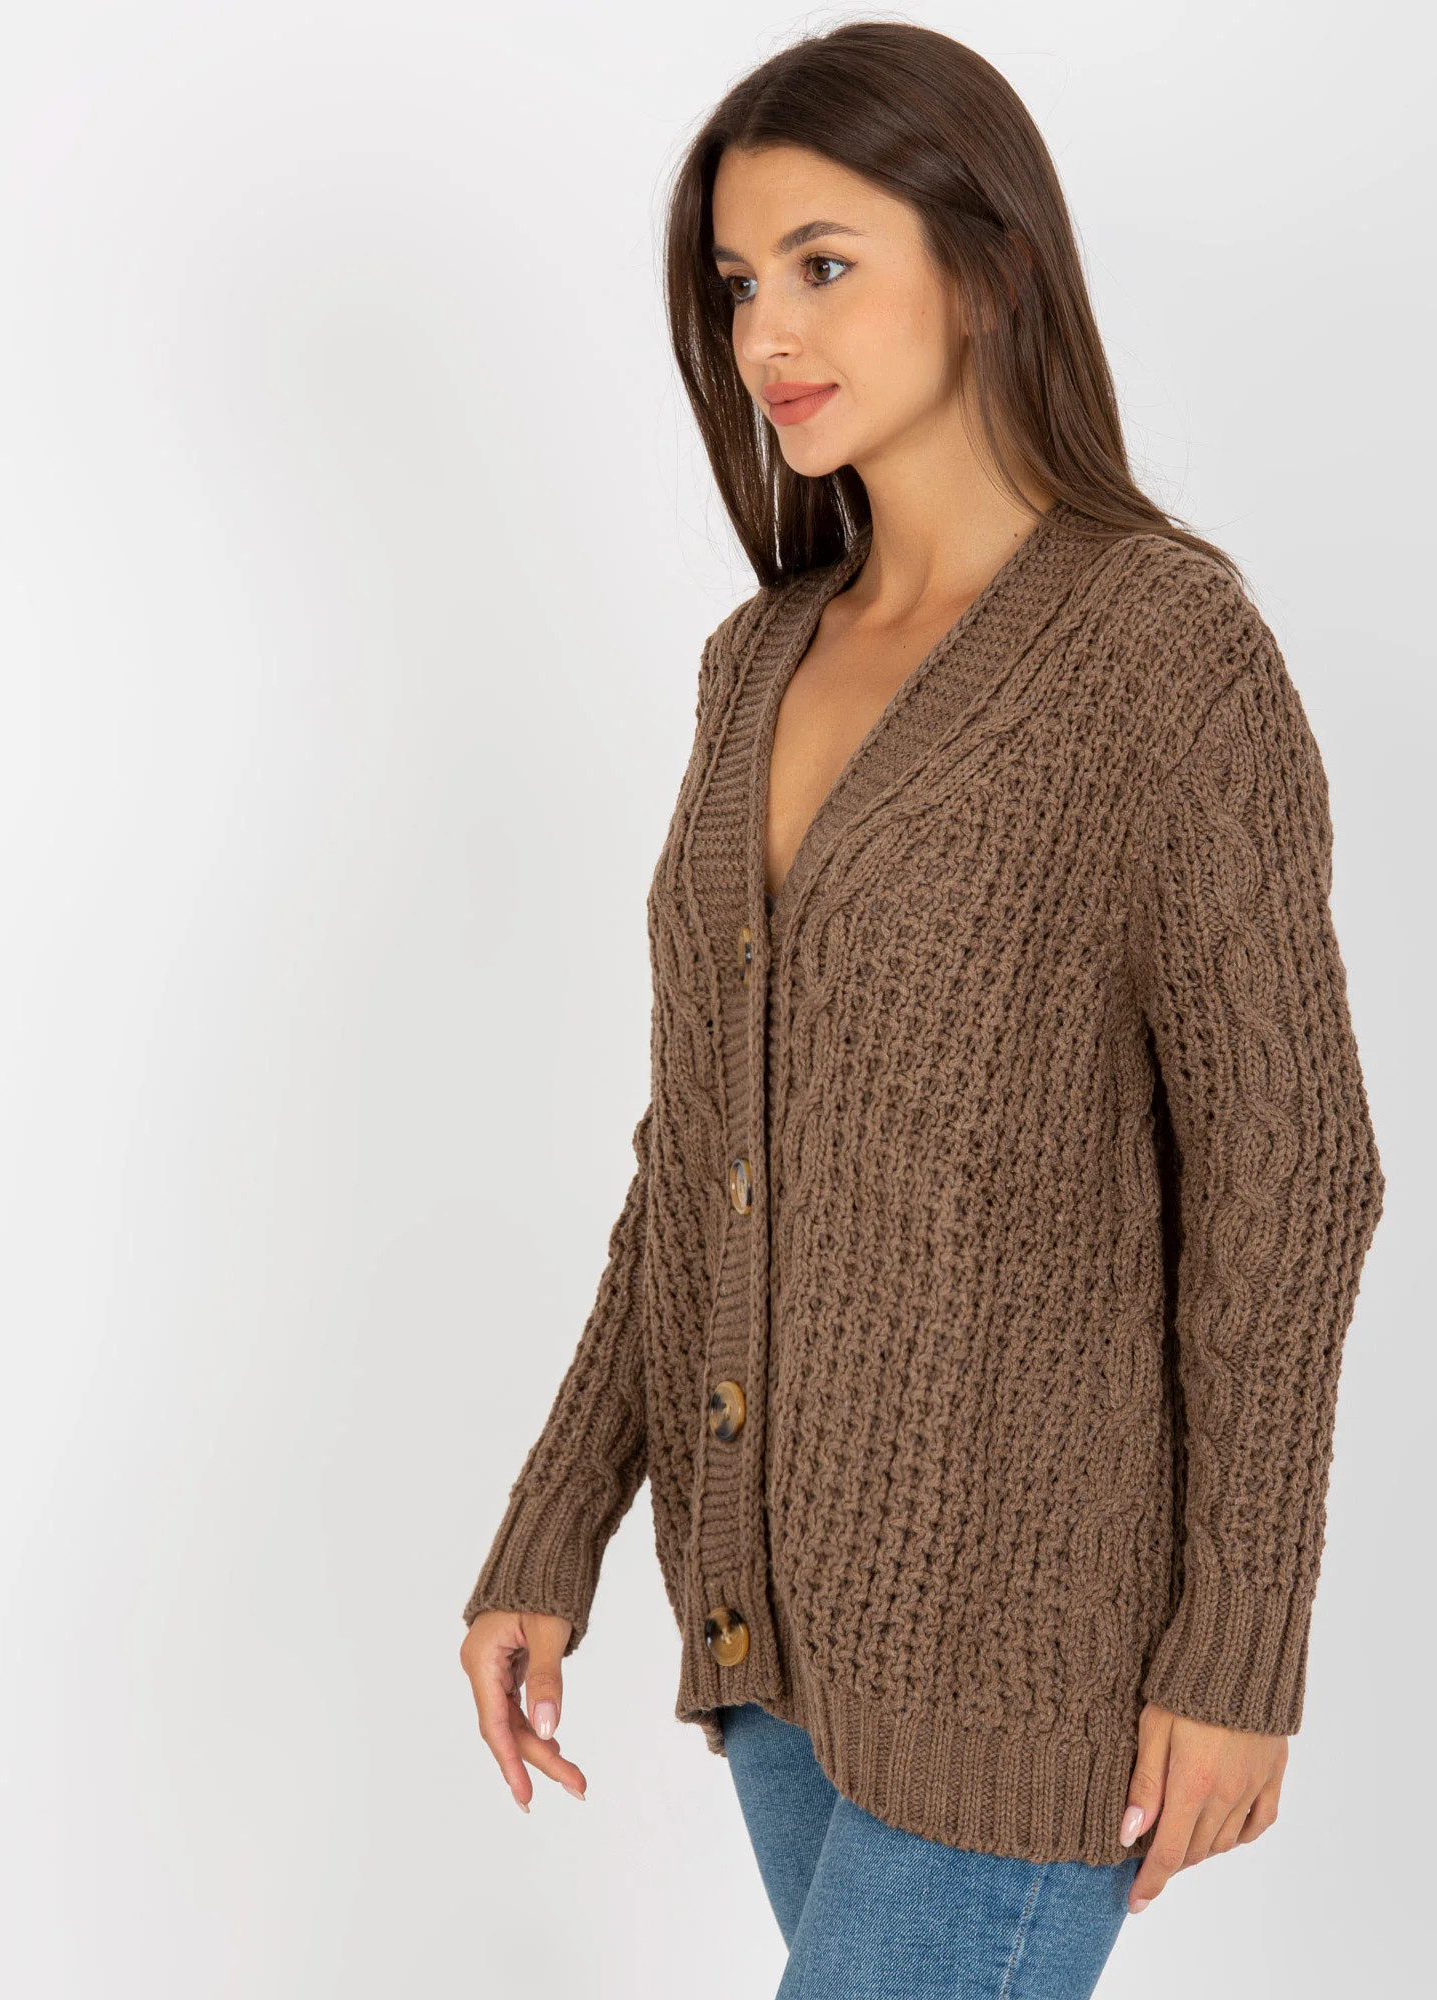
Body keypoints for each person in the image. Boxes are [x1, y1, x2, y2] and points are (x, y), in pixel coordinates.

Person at [458, 22, 1386, 1996]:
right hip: (777, 1637)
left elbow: (1292, 1178)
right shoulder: (758, 658)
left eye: (824, 263)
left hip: (1027, 1650)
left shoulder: (1162, 650)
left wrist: (1242, 1649)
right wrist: (556, 1525)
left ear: (985, 269)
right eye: (737, 283)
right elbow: (699, 1164)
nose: (767, 333)